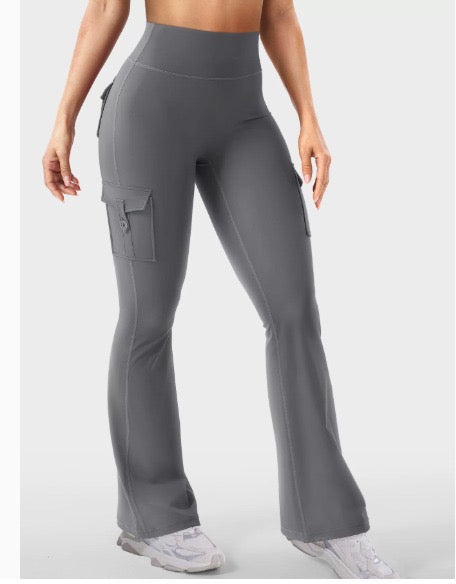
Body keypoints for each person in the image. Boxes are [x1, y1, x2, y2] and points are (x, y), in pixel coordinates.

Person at [42, 0, 398, 578]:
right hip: (150, 110)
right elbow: (108, 5)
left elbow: (278, 13)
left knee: (293, 311)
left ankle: (326, 520)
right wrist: (65, 119)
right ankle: (153, 518)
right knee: (148, 316)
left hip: (244, 114)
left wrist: (308, 116)